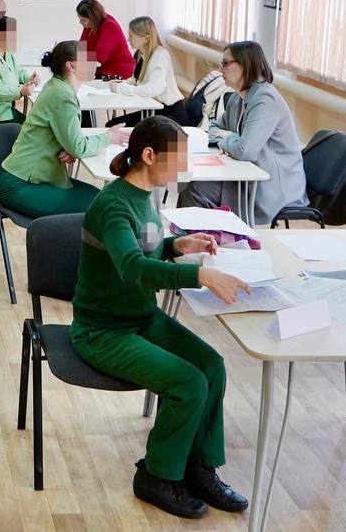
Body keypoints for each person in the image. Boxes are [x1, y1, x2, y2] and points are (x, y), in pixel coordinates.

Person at [71, 116, 249, 519]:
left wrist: (175, 245)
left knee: (212, 366)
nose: (185, 168)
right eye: (178, 158)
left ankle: (197, 467)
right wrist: (199, 275)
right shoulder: (113, 205)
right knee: (188, 383)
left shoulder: (144, 195)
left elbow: (146, 248)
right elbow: (133, 267)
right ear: (149, 156)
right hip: (102, 332)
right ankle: (156, 475)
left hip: (139, 318)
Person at [176, 40, 306, 225]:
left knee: (196, 191)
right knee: (187, 184)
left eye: (226, 63)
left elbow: (245, 151)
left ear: (245, 65)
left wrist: (229, 137)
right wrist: (231, 139)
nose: (220, 69)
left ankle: (193, 238)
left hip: (272, 188)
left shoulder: (265, 99)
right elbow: (213, 129)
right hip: (245, 175)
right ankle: (192, 238)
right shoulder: (238, 97)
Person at [0, 41, 121, 217]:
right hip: (20, 184)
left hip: (29, 178)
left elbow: (71, 143)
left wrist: (67, 147)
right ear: (71, 66)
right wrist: (109, 137)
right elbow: (78, 147)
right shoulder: (63, 96)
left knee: (100, 198)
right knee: (101, 207)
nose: (97, 63)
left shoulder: (57, 85)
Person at [108, 16, 187, 127]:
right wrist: (121, 84)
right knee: (112, 124)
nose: (128, 39)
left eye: (131, 36)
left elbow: (152, 89)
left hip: (170, 115)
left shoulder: (160, 56)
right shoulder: (142, 54)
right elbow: (136, 80)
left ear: (146, 38)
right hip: (155, 110)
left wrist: (121, 88)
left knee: (115, 126)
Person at [77, 0, 136, 80]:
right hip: (100, 69)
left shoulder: (110, 26)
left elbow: (99, 57)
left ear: (93, 18)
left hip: (117, 71)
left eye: (83, 20)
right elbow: (81, 47)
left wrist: (80, 60)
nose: (80, 22)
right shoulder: (90, 25)